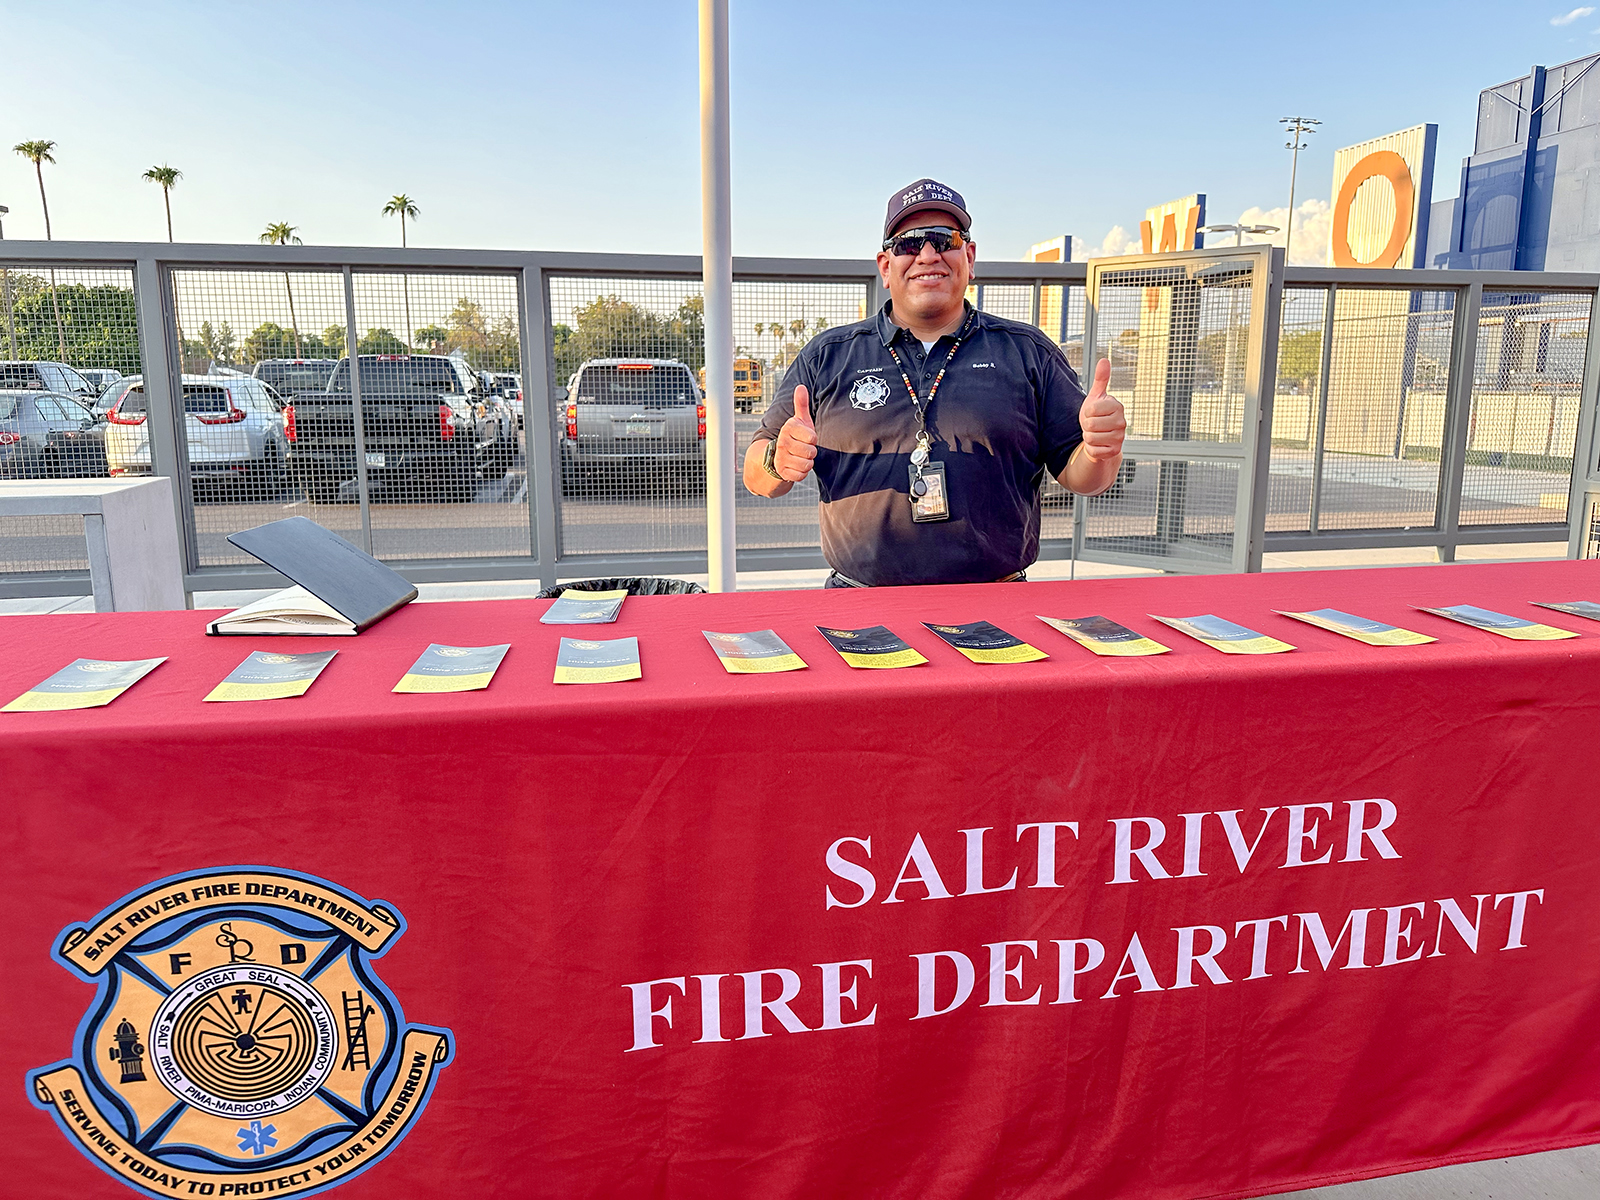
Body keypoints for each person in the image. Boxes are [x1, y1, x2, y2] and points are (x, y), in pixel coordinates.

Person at [743, 178, 1127, 587]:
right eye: (909, 243)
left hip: (999, 601)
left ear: (970, 257)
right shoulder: (828, 356)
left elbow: (1084, 477)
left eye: (945, 239)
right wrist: (776, 462)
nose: (928, 254)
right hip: (858, 604)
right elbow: (756, 473)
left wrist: (1101, 451)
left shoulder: (1027, 352)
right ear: (886, 266)